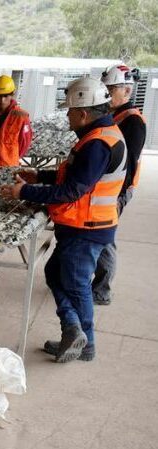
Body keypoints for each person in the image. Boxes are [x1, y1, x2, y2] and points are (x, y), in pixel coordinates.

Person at [0, 77, 126, 363]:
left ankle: (86, 343)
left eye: (69, 111)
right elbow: (77, 177)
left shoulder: (98, 144)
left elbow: (72, 191)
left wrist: (24, 191)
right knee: (56, 273)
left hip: (87, 227)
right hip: (84, 226)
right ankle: (73, 331)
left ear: (83, 113)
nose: (66, 116)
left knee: (77, 285)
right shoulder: (98, 136)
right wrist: (39, 176)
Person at [92, 65, 147, 305]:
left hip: (116, 190)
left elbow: (129, 161)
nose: (106, 92)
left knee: (105, 239)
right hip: (109, 187)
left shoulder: (132, 121)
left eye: (111, 88)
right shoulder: (116, 116)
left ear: (126, 90)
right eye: (105, 88)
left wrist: (118, 194)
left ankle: (102, 290)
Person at [0, 75, 32, 166]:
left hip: (8, 167)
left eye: (6, 96)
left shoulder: (21, 116)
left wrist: (12, 158)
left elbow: (24, 143)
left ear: (12, 94)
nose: (2, 100)